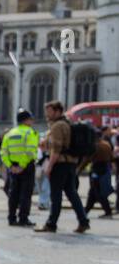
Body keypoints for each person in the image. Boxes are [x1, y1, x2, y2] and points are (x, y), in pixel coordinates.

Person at [36, 100, 90, 234]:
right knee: (71, 193)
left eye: (49, 111)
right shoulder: (66, 123)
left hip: (60, 164)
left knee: (56, 195)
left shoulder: (57, 126)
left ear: (57, 111)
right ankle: (83, 221)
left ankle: (51, 224)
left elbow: (56, 149)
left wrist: (49, 167)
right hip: (70, 163)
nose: (47, 114)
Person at [0, 109, 39, 228]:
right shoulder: (30, 132)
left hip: (13, 167)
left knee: (13, 193)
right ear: (26, 120)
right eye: (31, 119)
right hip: (26, 167)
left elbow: (3, 152)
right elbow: (31, 151)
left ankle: (11, 218)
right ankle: (23, 218)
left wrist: (11, 166)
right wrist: (22, 166)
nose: (32, 121)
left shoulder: (9, 134)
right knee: (26, 193)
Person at [84, 126, 114, 219]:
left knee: (98, 193)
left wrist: (78, 170)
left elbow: (87, 160)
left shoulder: (95, 146)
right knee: (93, 192)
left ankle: (107, 211)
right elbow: (111, 157)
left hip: (96, 170)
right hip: (104, 169)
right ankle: (84, 212)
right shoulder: (106, 144)